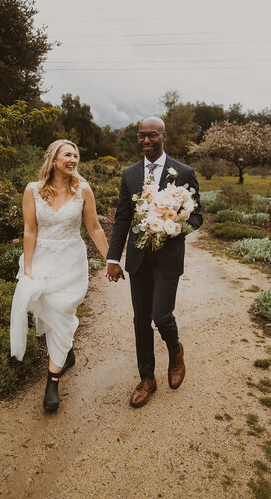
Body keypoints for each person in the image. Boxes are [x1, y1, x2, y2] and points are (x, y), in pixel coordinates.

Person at [106, 117, 203, 408]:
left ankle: (175, 352)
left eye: (152, 135)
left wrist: (177, 227)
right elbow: (123, 217)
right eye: (141, 136)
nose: (146, 141)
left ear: (163, 135)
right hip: (138, 258)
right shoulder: (130, 174)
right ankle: (147, 379)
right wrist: (113, 258)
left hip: (167, 258)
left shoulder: (183, 172)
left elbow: (198, 215)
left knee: (161, 315)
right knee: (140, 320)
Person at [10, 140, 109, 412]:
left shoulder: (83, 190)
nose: (73, 159)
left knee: (61, 309)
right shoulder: (32, 190)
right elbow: (29, 230)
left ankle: (52, 381)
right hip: (42, 259)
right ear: (53, 160)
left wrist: (110, 259)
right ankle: (66, 350)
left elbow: (95, 227)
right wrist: (28, 268)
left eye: (76, 155)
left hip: (71, 261)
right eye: (67, 154)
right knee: (47, 307)